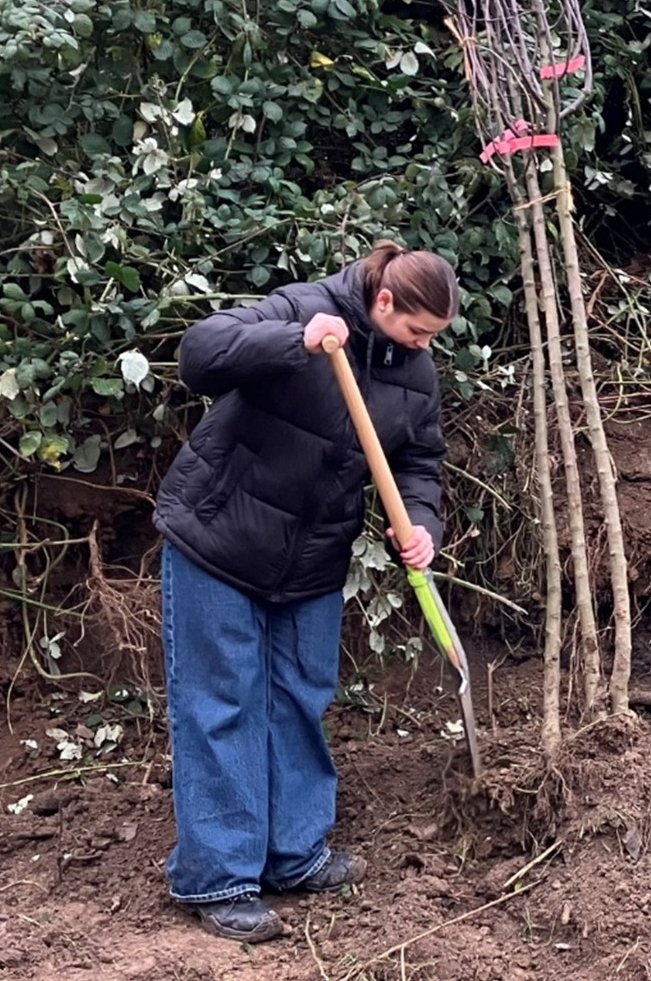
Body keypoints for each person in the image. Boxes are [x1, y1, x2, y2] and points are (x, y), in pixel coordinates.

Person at [153, 240, 459, 942]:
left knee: (299, 700)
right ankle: (218, 876)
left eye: (431, 339)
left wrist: (420, 523)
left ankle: (294, 854)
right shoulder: (305, 307)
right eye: (417, 331)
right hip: (220, 539)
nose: (422, 346)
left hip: (314, 560)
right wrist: (295, 342)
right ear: (385, 302)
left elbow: (420, 459)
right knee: (221, 704)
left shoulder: (415, 371)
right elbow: (201, 353)